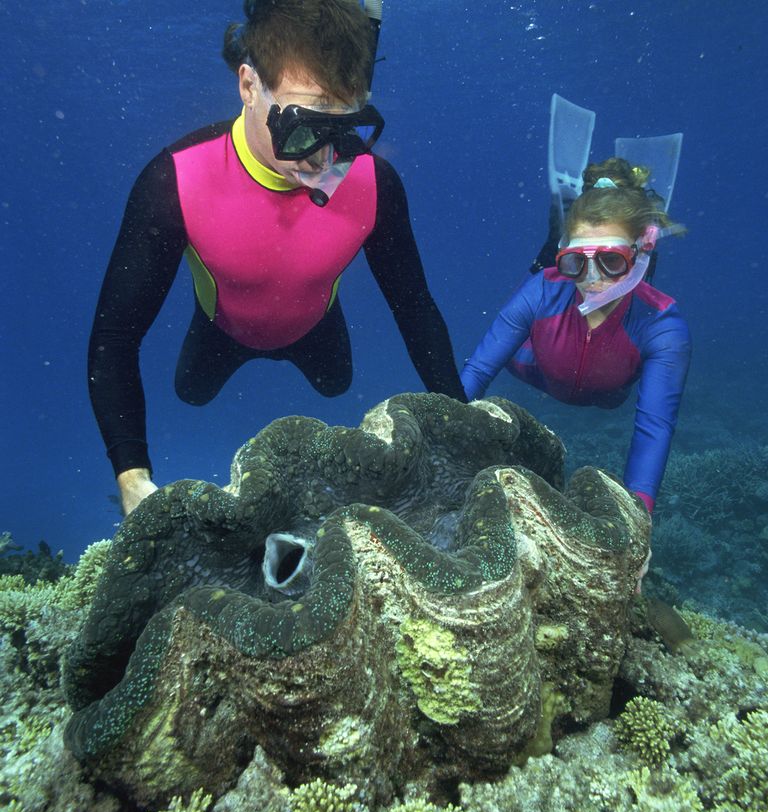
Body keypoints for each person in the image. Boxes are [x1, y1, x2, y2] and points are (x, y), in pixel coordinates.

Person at [88, 0, 466, 516]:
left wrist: (464, 425)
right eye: (302, 126)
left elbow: (415, 307)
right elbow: (115, 337)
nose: (322, 157)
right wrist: (133, 476)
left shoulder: (374, 184)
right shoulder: (175, 182)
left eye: (341, 129)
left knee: (337, 385)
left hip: (315, 328)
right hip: (220, 331)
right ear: (248, 86)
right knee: (191, 392)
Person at [461, 158, 691, 514]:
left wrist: (637, 517)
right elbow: (477, 370)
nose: (591, 278)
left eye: (611, 261)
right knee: (543, 282)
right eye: (575, 262)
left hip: (610, 391)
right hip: (533, 366)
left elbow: (655, 427)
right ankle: (554, 251)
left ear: (639, 254)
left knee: (619, 310)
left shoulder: (664, 326)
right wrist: (441, 432)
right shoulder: (543, 289)